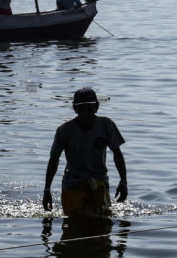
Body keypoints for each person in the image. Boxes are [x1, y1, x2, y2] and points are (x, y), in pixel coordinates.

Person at [44, 86, 128, 217]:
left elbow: (117, 154)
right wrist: (47, 189)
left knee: (102, 227)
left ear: (96, 107)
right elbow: (54, 160)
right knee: (73, 227)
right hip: (73, 184)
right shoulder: (64, 130)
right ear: (74, 109)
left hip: (99, 182)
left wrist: (123, 181)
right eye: (81, 110)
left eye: (89, 109)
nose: (85, 114)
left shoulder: (106, 125)